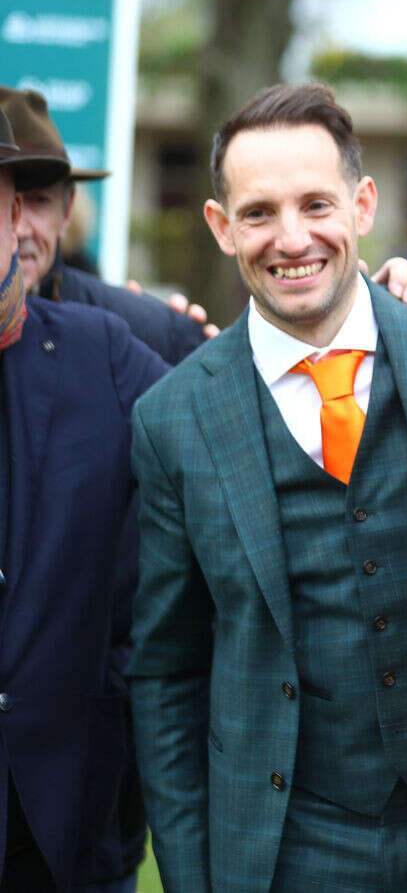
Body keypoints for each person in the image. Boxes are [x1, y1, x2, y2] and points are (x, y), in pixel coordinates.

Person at [126, 83, 407, 892]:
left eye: (316, 203)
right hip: (292, 841)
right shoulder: (172, 418)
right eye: (259, 212)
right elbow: (167, 670)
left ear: (364, 205)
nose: (292, 238)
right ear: (222, 227)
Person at [0, 105, 170, 891]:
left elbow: (247, 416)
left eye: (35, 199)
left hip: (72, 804)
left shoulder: (123, 337)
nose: (24, 225)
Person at [0, 86, 211, 364]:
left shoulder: (142, 332)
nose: (19, 228)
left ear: (66, 212)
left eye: (39, 201)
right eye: (6, 204)